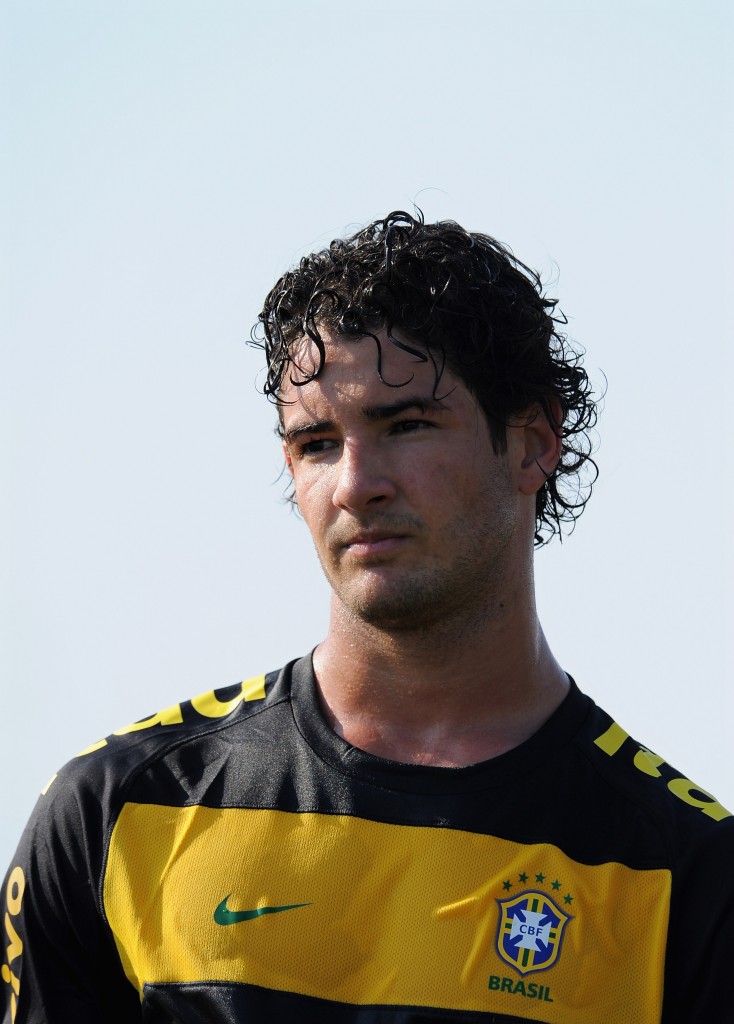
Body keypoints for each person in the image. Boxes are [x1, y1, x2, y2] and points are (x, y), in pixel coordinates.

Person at [2, 211, 731, 1024]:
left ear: (532, 443)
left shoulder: (689, 873)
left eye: (406, 425)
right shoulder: (120, 811)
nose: (354, 485)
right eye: (316, 443)